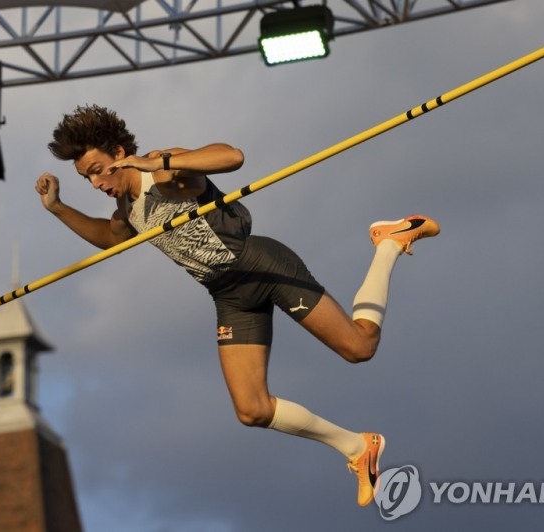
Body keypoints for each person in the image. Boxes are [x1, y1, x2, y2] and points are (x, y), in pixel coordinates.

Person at [35, 104, 440, 507]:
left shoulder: (163, 172)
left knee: (360, 347)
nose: (94, 183)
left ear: (120, 155)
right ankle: (356, 446)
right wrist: (56, 208)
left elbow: (231, 157)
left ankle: (389, 242)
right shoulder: (126, 209)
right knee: (252, 410)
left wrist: (159, 158)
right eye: (86, 177)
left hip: (258, 264)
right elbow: (110, 237)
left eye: (96, 171)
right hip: (227, 294)